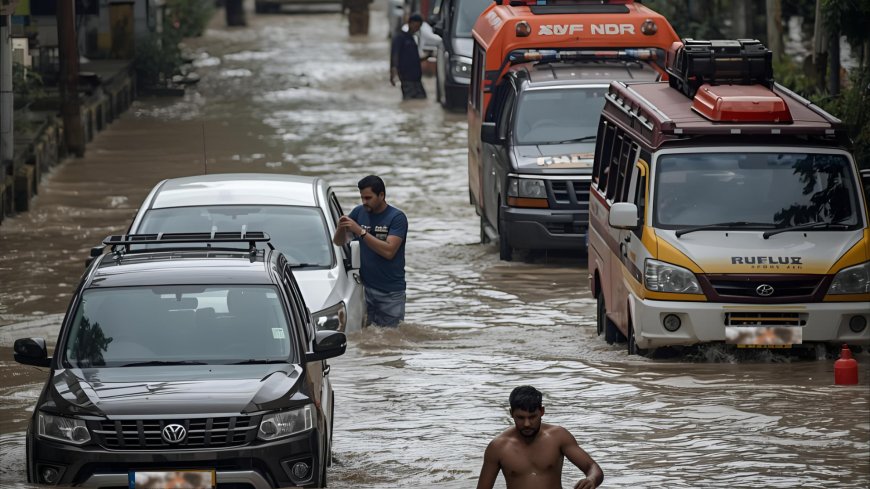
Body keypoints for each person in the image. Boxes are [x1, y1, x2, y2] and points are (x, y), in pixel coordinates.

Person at [477, 385, 604, 489]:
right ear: (511, 414)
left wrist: (591, 479)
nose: (527, 424)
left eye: (532, 417)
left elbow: (593, 468)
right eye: (520, 418)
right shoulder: (498, 447)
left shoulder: (559, 437)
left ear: (542, 411)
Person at [332, 175, 408, 327]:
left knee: (390, 341)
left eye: (368, 198)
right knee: (367, 340)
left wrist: (361, 232)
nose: (364, 202)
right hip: (364, 290)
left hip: (390, 293)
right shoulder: (359, 213)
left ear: (381, 195)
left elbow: (389, 251)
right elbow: (338, 242)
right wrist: (341, 228)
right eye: (362, 198)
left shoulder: (397, 218)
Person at [390, 13, 427, 100]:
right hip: (406, 78)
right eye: (416, 25)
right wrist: (393, 74)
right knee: (409, 99)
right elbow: (394, 55)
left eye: (419, 26)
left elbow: (415, 59)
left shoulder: (412, 38)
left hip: (417, 78)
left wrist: (427, 56)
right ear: (410, 23)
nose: (417, 28)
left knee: (422, 99)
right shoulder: (400, 38)